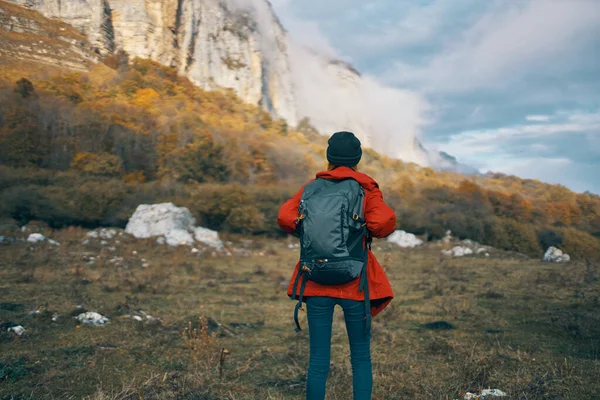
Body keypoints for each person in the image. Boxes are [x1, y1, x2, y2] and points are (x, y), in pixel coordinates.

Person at [277, 131, 396, 400]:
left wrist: (307, 230)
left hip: (316, 280)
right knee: (361, 358)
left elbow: (285, 217)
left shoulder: (311, 187)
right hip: (355, 282)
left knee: (318, 360)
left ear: (329, 158)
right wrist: (361, 230)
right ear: (357, 158)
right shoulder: (365, 188)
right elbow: (384, 223)